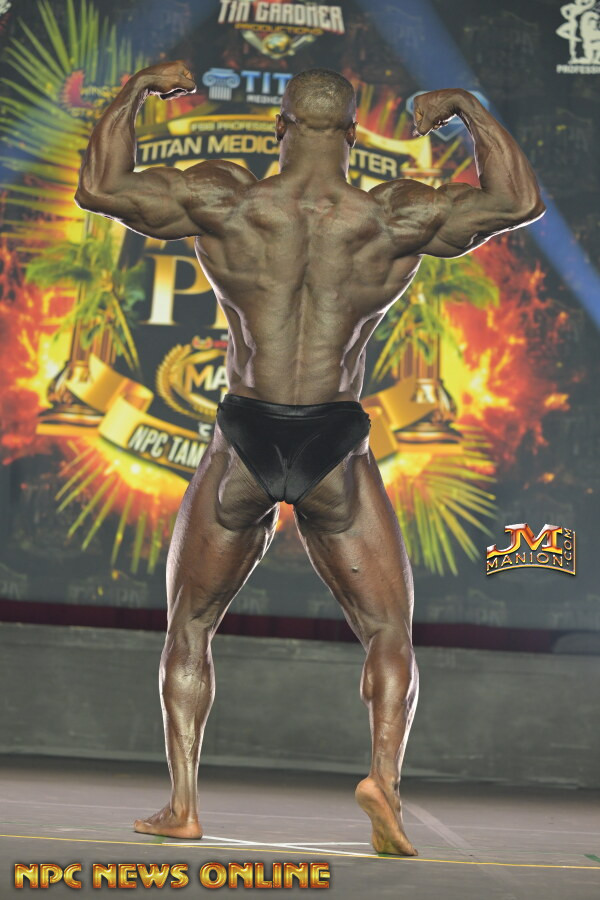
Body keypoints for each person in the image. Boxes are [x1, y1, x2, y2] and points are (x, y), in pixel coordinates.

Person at [75, 62, 545, 856]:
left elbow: (100, 186)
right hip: (333, 438)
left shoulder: (228, 201)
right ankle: (384, 784)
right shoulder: (392, 215)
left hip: (246, 434)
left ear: (279, 127)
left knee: (191, 625)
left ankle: (183, 805)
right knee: (387, 629)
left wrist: (139, 90)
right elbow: (517, 201)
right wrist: (467, 105)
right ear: (354, 134)